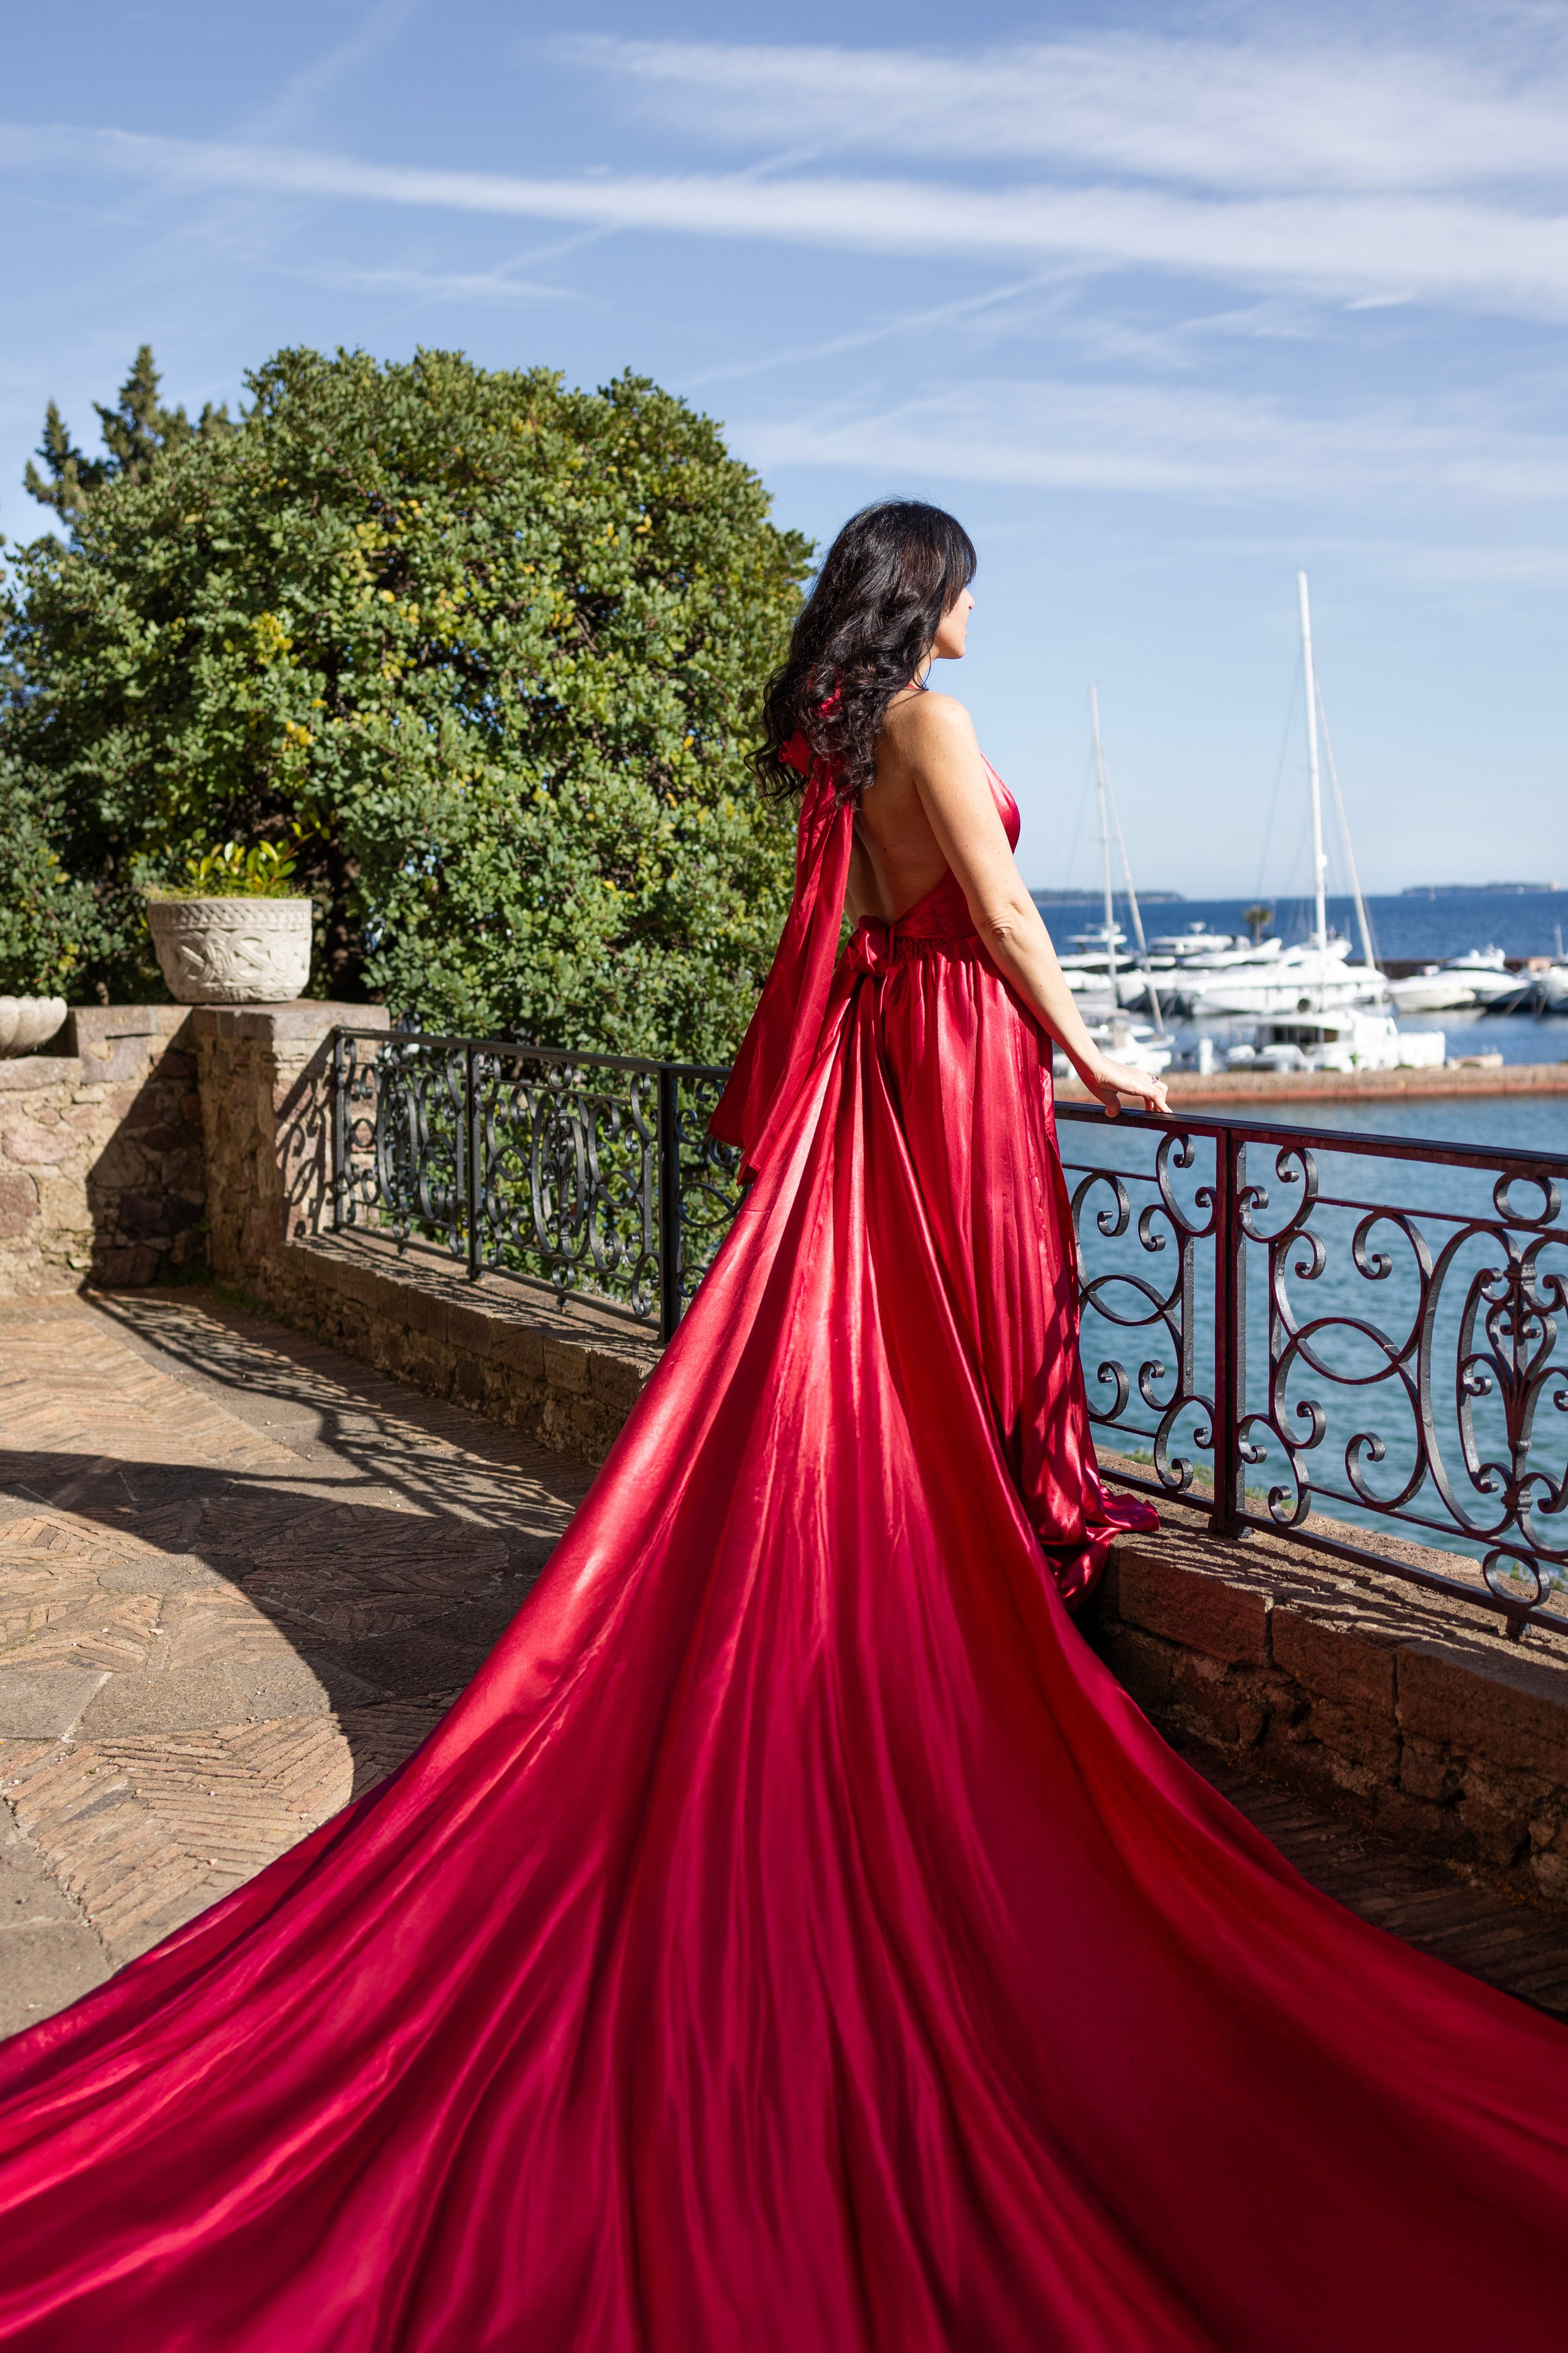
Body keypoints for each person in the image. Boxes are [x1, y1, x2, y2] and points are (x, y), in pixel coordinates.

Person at [0, 501, 1566, 2351]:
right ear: (928, 594)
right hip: (962, 1058)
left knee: (899, 1336)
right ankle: (987, 1599)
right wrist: (1099, 1056)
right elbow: (996, 911)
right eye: (968, 579)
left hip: (899, 1065)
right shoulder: (929, 723)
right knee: (968, 1329)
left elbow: (861, 933)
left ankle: (975, 1554)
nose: (982, 606)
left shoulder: (840, 744)